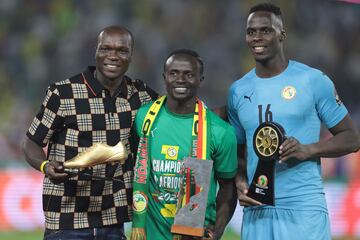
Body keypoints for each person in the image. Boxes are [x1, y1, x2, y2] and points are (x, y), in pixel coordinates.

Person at [227, 3, 360, 240]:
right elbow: (238, 151)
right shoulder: (237, 91)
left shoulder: (313, 81)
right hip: (258, 211)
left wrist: (308, 149)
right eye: (251, 31)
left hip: (303, 209)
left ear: (282, 34)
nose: (257, 37)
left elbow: (351, 138)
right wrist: (240, 181)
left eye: (266, 30)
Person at [21, 25, 158, 240]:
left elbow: (176, 114)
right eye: (106, 49)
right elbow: (31, 143)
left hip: (113, 220)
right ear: (96, 52)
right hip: (66, 219)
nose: (113, 56)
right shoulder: (63, 93)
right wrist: (45, 166)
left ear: (131, 55)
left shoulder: (141, 95)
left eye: (122, 50)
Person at [131, 49, 238, 240]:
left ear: (200, 79)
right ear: (164, 77)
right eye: (174, 73)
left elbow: (228, 188)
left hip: (193, 235)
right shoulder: (144, 118)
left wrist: (217, 230)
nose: (180, 79)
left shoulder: (220, 132)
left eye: (189, 74)